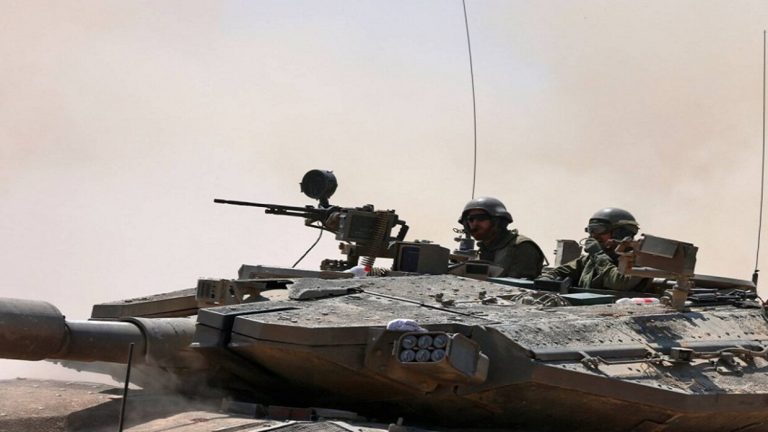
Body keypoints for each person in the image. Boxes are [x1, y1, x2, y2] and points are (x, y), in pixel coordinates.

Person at [539, 207, 650, 291]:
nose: (593, 236)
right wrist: (547, 279)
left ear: (620, 233)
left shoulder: (639, 260)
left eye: (599, 230)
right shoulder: (590, 259)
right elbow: (560, 272)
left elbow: (620, 282)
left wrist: (598, 254)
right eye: (591, 231)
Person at [458, 197, 545, 279]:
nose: (474, 224)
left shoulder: (521, 247)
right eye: (470, 219)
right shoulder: (484, 248)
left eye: (481, 218)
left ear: (497, 221)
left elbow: (519, 286)